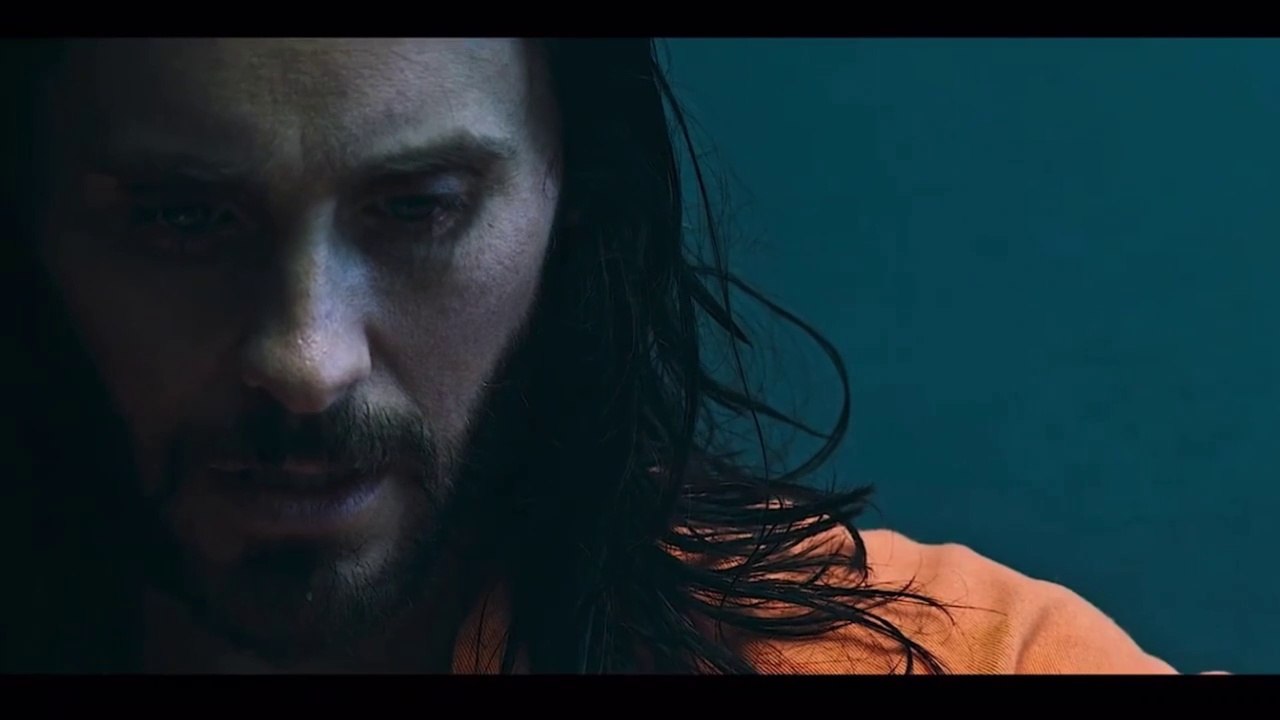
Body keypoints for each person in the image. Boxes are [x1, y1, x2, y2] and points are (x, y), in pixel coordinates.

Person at [0, 38, 1207, 674]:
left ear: (573, 204)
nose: (305, 359)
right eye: (181, 219)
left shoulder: (964, 664)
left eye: (417, 209)